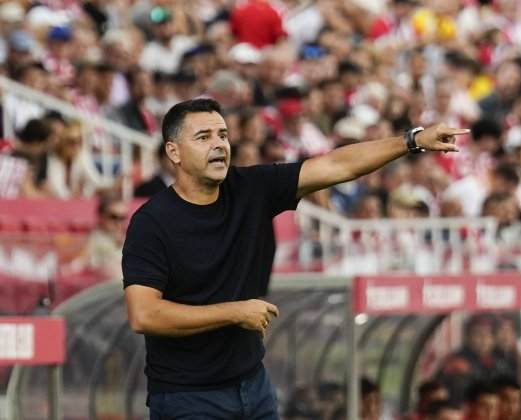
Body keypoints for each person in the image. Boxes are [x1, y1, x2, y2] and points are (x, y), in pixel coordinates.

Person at [122, 98, 467, 419]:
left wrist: (412, 140)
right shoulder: (151, 223)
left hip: (253, 385)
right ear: (174, 152)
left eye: (223, 135)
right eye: (203, 136)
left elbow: (336, 165)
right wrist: (234, 312)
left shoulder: (251, 188)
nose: (219, 144)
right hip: (188, 397)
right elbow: (144, 314)